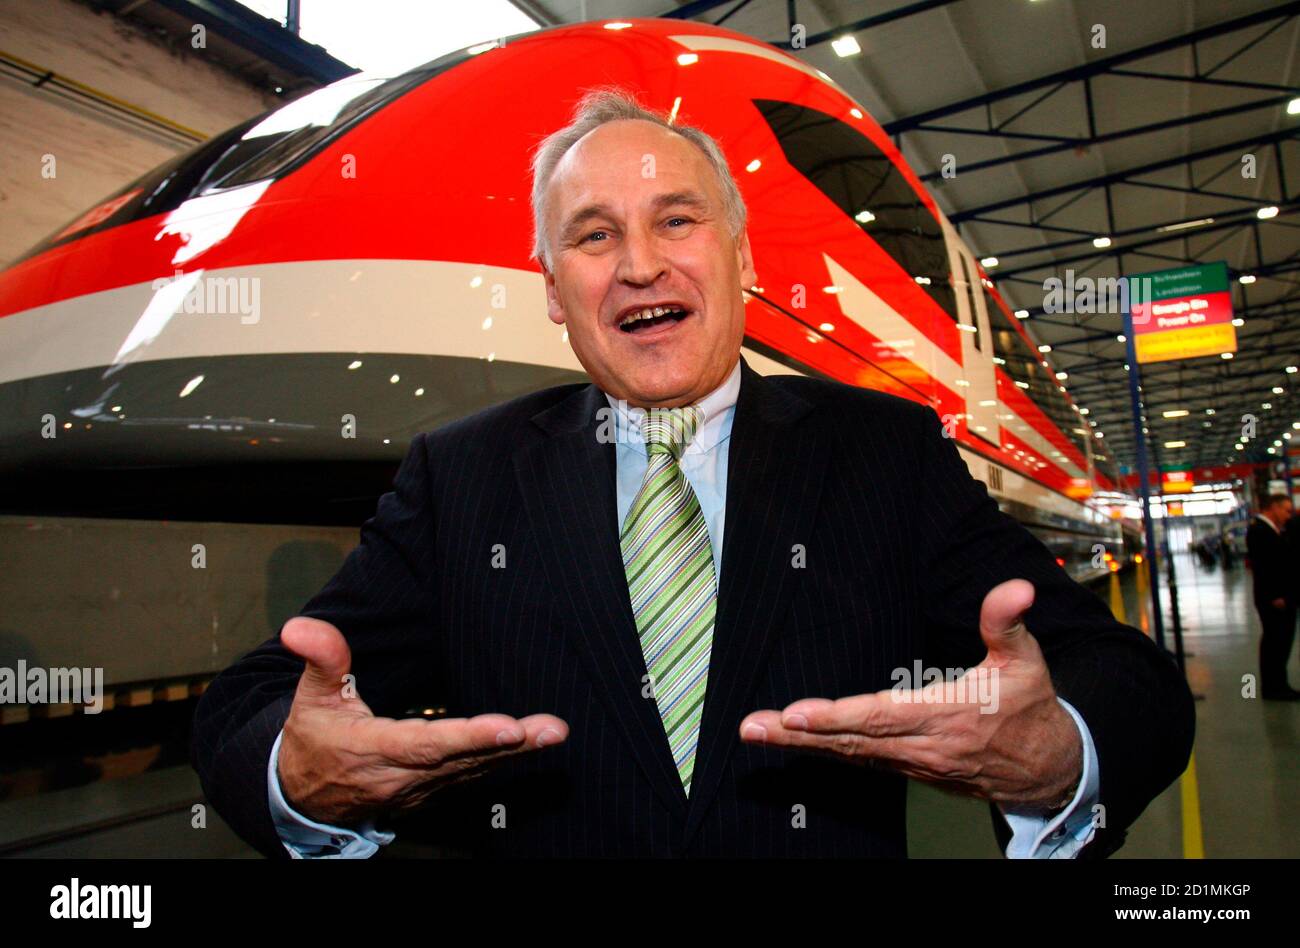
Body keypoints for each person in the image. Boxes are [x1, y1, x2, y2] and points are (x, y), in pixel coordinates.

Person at [191, 88, 1195, 859]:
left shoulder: (884, 453)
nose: (638, 265)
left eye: (676, 220)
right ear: (552, 289)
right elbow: (252, 700)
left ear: (742, 259)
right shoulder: (462, 477)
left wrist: (1060, 754)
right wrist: (298, 771)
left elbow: (1131, 683)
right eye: (593, 235)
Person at [1247, 494, 1300, 700]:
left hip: (1280, 597)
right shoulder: (1259, 531)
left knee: (1280, 642)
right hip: (1274, 599)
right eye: (1286, 510)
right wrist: (1276, 595)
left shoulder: (1272, 530)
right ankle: (1274, 688)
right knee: (1275, 642)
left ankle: (1279, 684)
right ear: (1273, 508)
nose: (1288, 515)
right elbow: (1264, 568)